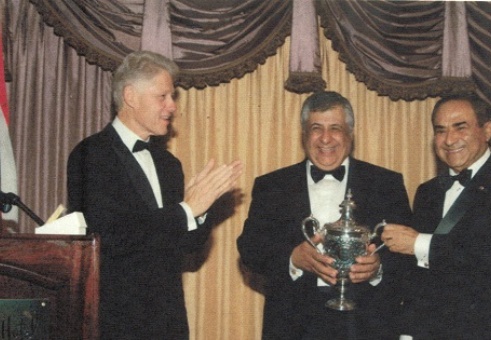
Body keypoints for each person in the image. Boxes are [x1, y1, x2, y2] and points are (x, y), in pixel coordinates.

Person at [67, 50, 242, 339]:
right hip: (115, 322)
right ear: (130, 97)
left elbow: (187, 246)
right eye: (163, 97)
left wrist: (201, 209)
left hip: (168, 322)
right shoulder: (90, 155)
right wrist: (186, 210)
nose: (172, 106)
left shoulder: (169, 165)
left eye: (172, 97)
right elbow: (109, 236)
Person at [237, 91, 412, 339]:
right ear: (304, 134)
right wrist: (292, 260)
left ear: (350, 134)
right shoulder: (272, 185)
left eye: (336, 128)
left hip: (366, 324)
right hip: (292, 323)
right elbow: (250, 250)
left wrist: (378, 269)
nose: (326, 138)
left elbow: (408, 257)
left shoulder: (386, 184)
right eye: (316, 128)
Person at [382, 95, 491, 339]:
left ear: (487, 130)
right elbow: (419, 280)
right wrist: (408, 332)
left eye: (460, 127)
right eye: (440, 130)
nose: (449, 140)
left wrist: (419, 243)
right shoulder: (427, 193)